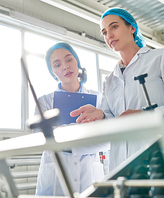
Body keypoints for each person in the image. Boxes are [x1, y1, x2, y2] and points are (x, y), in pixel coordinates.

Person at [70, 8, 164, 171]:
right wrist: (101, 114)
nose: (108, 35)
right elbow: (113, 120)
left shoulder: (160, 58)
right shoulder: (109, 80)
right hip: (120, 166)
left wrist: (142, 115)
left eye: (114, 27)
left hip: (157, 160)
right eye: (104, 32)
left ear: (132, 28)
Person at [33, 42, 109, 196]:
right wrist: (87, 137)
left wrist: (65, 138)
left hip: (90, 175)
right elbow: (42, 139)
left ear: (77, 63)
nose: (65, 66)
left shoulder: (98, 99)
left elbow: (106, 140)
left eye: (69, 60)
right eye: (57, 64)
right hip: (55, 178)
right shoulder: (44, 102)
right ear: (53, 72)